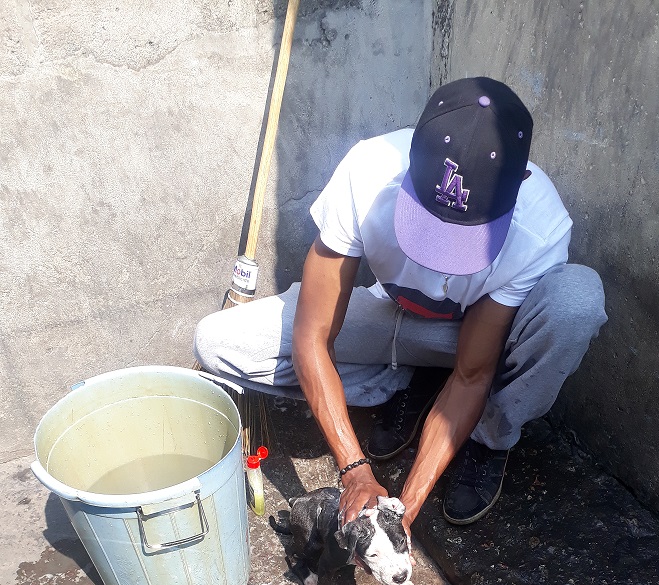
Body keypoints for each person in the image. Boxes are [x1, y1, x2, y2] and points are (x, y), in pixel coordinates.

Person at [194, 76, 607, 532]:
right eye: (429, 222)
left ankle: (488, 436)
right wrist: (355, 470)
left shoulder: (541, 227)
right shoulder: (368, 170)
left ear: (521, 181)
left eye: (462, 234)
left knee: (576, 302)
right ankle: (406, 380)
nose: (438, 257)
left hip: (471, 344)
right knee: (217, 342)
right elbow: (312, 335)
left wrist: (404, 510)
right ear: (410, 154)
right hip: (395, 321)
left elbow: (471, 375)